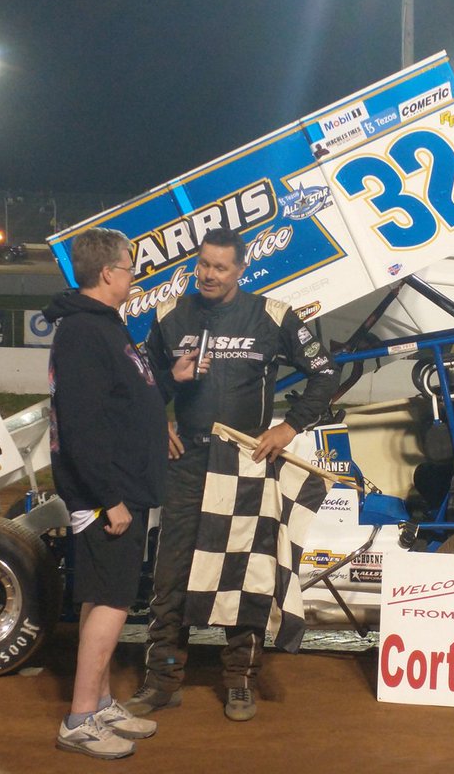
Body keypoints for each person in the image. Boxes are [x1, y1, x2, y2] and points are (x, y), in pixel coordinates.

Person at [127, 227, 339, 723]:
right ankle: (163, 680)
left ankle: (240, 681)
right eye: (203, 264)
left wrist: (288, 427)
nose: (209, 275)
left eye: (220, 267)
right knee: (172, 574)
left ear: (241, 270)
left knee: (245, 574)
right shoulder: (170, 314)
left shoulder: (273, 315)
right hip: (187, 462)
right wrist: (157, 422)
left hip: (246, 463)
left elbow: (325, 373)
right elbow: (144, 382)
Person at [43, 227, 168, 760]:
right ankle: (79, 720)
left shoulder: (104, 325)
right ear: (108, 273)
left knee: (103, 596)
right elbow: (82, 426)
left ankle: (98, 704)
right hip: (107, 494)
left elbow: (124, 399)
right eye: (130, 267)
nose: (134, 276)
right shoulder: (83, 332)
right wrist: (108, 496)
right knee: (114, 601)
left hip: (120, 488)